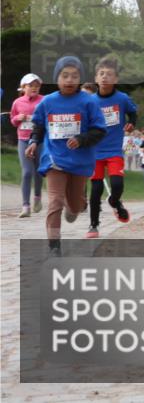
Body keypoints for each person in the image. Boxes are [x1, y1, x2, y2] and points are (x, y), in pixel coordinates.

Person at [25, 56, 107, 256]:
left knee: (76, 205)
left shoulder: (88, 102)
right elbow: (38, 126)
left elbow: (99, 130)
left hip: (80, 160)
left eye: (74, 76)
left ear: (80, 78)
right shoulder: (48, 102)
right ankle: (54, 246)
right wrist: (34, 142)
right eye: (65, 75)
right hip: (54, 158)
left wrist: (81, 139)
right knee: (55, 201)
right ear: (57, 78)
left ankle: (75, 207)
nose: (69, 80)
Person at [87, 56, 137, 239]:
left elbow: (133, 114)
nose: (105, 77)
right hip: (95, 152)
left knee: (117, 185)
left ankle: (115, 202)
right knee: (96, 190)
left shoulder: (122, 99)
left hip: (114, 150)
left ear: (115, 79)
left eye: (109, 74)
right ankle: (93, 225)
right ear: (96, 78)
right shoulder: (90, 101)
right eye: (101, 74)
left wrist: (132, 123)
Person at [11, 73, 45, 217]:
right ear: (23, 87)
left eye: (37, 86)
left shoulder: (43, 101)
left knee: (38, 171)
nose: (34, 88)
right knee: (26, 172)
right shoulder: (17, 102)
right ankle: (26, 206)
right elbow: (12, 120)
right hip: (23, 140)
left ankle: (37, 197)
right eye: (31, 85)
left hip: (39, 142)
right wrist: (18, 118)